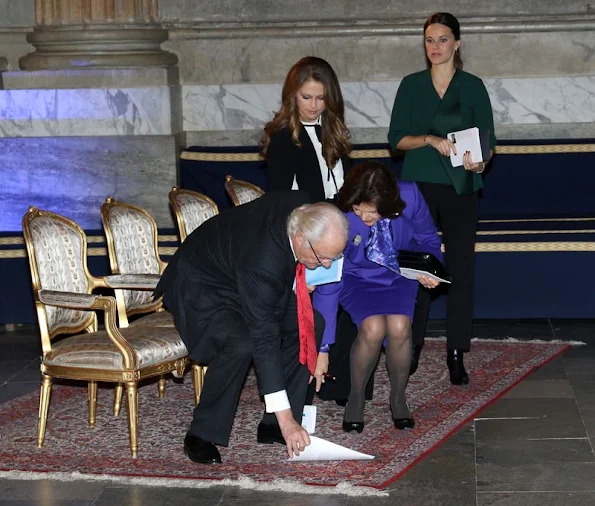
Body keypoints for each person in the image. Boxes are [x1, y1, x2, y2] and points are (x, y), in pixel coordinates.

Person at [155, 191, 348, 464]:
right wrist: (287, 420)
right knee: (241, 341)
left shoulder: (306, 208)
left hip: (241, 273)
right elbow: (265, 339)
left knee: (311, 323)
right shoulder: (264, 262)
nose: (327, 265)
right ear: (300, 238)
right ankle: (201, 434)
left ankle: (274, 424)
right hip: (203, 285)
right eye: (323, 257)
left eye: (334, 257)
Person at [387, 12, 497, 385]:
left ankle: (456, 351)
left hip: (462, 188)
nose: (435, 47)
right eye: (430, 40)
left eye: (443, 39)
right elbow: (396, 140)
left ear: (457, 43)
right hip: (418, 186)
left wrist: (479, 163)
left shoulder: (473, 86)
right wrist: (430, 140)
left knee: (461, 271)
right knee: (418, 267)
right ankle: (412, 344)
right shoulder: (411, 85)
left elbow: (487, 142)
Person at [312, 161, 443, 432]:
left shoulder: (410, 196)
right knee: (372, 327)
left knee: (399, 325)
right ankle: (356, 397)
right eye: (358, 209)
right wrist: (322, 346)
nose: (363, 217)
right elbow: (329, 278)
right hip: (355, 276)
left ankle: (398, 397)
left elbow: (429, 239)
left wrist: (432, 270)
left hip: (399, 275)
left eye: (371, 211)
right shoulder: (341, 213)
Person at [261, 56, 352, 203]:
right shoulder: (282, 137)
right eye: (306, 97)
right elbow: (281, 198)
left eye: (321, 98)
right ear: (293, 95)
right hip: (306, 219)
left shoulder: (334, 129)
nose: (314, 106)